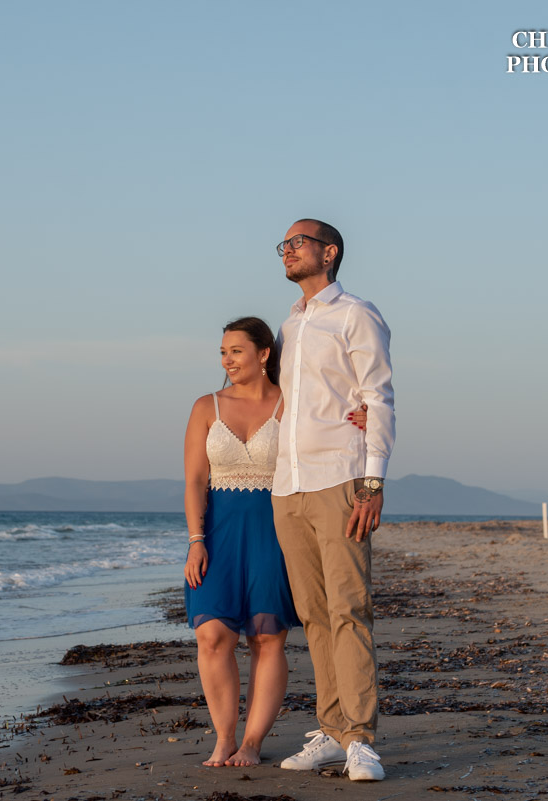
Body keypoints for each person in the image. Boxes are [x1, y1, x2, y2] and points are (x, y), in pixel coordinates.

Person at [183, 316, 365, 768]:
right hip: (218, 533)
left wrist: (365, 412)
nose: (227, 360)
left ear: (264, 354)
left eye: (236, 351)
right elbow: (193, 480)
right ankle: (224, 738)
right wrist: (195, 539)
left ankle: (252, 743)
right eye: (223, 352)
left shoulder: (290, 403)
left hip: (274, 527)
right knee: (212, 635)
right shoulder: (207, 406)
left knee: (267, 638)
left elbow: (333, 418)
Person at [271, 218, 395, 782]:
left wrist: (372, 482)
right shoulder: (291, 323)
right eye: (284, 245)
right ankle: (332, 728)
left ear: (330, 252)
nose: (288, 251)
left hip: (339, 478)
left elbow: (378, 396)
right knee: (313, 615)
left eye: (298, 243)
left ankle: (362, 740)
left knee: (349, 608)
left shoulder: (356, 314)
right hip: (288, 486)